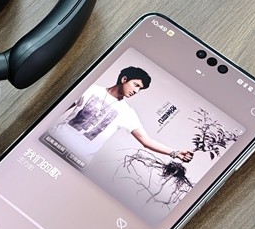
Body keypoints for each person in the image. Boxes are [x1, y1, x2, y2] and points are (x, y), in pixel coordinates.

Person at [46, 66, 194, 165]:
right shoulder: (90, 89)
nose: (136, 91)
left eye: (140, 89)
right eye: (136, 85)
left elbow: (146, 141)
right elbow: (57, 111)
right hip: (51, 142)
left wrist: (175, 153)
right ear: (124, 79)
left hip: (76, 160)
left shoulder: (127, 113)